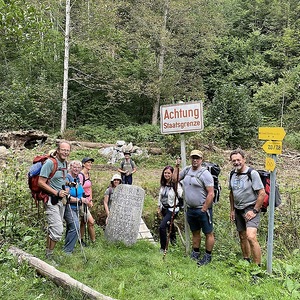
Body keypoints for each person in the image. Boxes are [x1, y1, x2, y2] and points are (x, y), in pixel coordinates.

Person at [173, 150, 215, 266]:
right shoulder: (186, 170)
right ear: (190, 158)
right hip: (190, 209)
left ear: (201, 159)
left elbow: (211, 193)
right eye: (193, 158)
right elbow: (174, 179)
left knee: (208, 233)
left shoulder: (205, 174)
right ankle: (195, 253)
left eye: (197, 158)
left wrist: (204, 208)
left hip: (203, 209)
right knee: (195, 232)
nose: (195, 160)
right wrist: (176, 166)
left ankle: (207, 255)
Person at [229, 149, 266, 265]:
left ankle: (257, 266)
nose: (236, 162)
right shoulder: (232, 174)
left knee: (251, 237)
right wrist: (232, 210)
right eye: (234, 160)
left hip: (250, 208)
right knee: (242, 236)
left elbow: (262, 193)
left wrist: (255, 210)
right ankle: (246, 260)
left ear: (244, 160)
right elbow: (231, 193)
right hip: (238, 209)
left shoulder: (252, 173)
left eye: (238, 160)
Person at [38, 141, 70, 260]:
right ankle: (49, 257)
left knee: (53, 228)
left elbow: (59, 179)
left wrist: (67, 184)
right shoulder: (50, 163)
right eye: (63, 150)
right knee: (58, 229)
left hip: (61, 200)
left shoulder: (65, 163)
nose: (65, 152)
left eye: (67, 150)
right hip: (51, 200)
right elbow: (40, 182)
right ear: (58, 150)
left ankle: (48, 255)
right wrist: (56, 192)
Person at [157, 165, 183, 252]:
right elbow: (160, 196)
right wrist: (158, 207)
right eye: (165, 173)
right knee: (169, 225)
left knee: (162, 227)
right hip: (164, 208)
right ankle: (174, 243)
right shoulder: (163, 184)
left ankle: (163, 247)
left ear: (172, 174)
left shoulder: (176, 185)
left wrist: (177, 188)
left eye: (168, 173)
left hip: (172, 210)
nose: (166, 175)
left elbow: (181, 194)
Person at [63, 160, 85, 254]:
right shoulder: (67, 178)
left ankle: (67, 247)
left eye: (78, 167)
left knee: (70, 227)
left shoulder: (78, 178)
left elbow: (80, 190)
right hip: (68, 206)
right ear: (70, 167)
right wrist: (79, 200)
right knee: (75, 227)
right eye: (74, 167)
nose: (76, 169)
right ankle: (67, 251)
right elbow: (66, 196)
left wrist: (84, 198)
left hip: (77, 207)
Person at [78, 157, 96, 244]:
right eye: (88, 162)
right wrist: (86, 201)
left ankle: (80, 240)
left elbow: (90, 188)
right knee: (91, 222)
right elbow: (79, 190)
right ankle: (93, 241)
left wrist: (91, 200)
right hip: (82, 202)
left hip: (88, 201)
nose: (90, 164)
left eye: (91, 163)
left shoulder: (88, 174)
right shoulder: (80, 175)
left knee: (83, 221)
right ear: (83, 164)